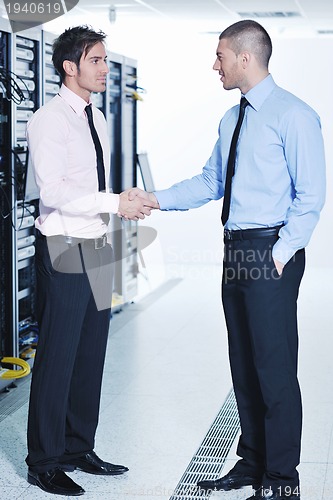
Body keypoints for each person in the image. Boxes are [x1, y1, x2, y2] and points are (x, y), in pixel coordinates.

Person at [125, 20, 326, 500]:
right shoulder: (232, 119)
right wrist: (152, 198)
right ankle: (252, 461)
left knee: (274, 367)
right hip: (235, 250)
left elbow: (311, 195)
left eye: (219, 56)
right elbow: (210, 182)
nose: (214, 65)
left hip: (269, 251)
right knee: (244, 364)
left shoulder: (294, 115)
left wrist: (280, 254)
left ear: (244, 58)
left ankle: (281, 478)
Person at [25, 25, 154, 496]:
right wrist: (112, 202)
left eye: (104, 60)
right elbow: (55, 192)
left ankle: (79, 447)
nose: (104, 68)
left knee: (90, 354)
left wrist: (118, 203)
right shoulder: (49, 120)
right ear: (70, 66)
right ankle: (44, 459)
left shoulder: (95, 118)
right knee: (57, 357)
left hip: (97, 245)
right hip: (63, 247)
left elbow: (93, 187)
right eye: (96, 61)